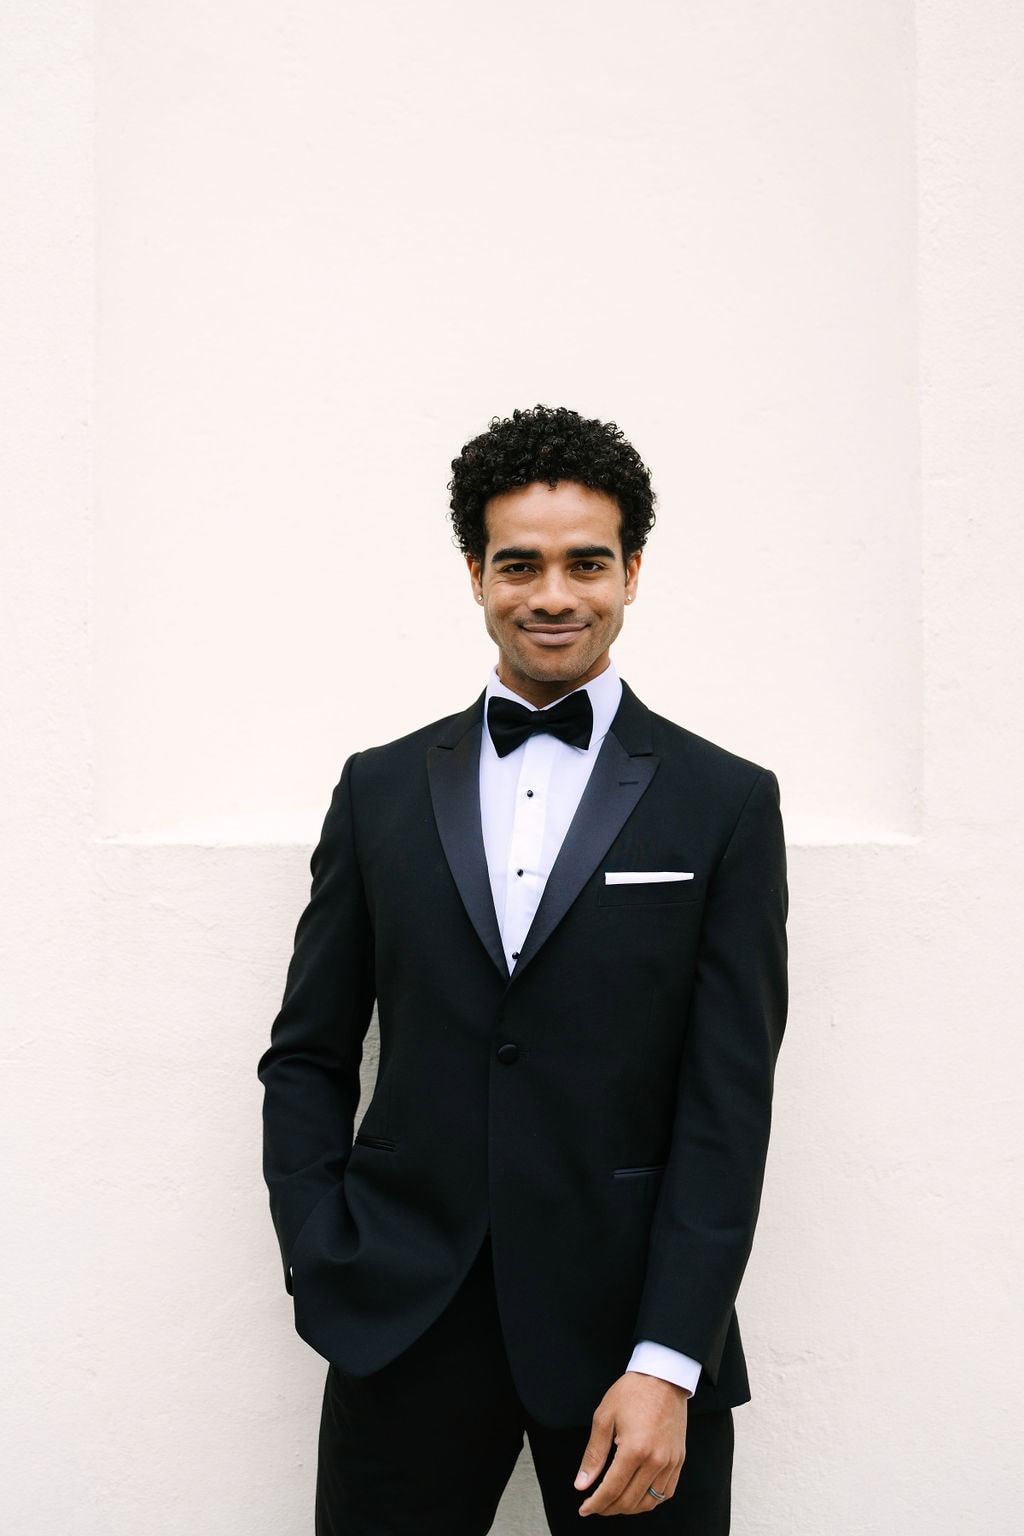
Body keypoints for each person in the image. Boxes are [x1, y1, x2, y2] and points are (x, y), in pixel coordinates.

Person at [259, 404, 788, 1535]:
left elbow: (725, 1105)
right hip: (401, 1321)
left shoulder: (726, 802)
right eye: (521, 564)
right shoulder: (378, 789)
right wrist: (322, 1256)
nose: (554, 595)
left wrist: (669, 1357)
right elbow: (305, 1052)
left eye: (586, 563)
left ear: (632, 571)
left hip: (628, 1340)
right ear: (476, 574)